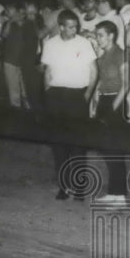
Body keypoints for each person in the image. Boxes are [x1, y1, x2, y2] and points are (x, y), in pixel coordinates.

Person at [41, 10, 98, 200]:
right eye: (71, 26)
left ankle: (80, 187)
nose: (75, 30)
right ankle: (63, 187)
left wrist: (87, 95)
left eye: (76, 26)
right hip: (56, 96)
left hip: (77, 96)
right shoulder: (50, 44)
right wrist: (48, 91)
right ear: (62, 27)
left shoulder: (84, 44)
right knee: (59, 144)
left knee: (78, 144)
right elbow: (47, 71)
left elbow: (94, 71)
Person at [91, 20, 127, 204]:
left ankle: (120, 195)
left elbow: (127, 84)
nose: (97, 39)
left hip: (116, 102)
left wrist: (113, 107)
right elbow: (100, 79)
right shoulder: (103, 55)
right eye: (97, 35)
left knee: (114, 148)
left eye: (100, 35)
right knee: (106, 147)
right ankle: (113, 192)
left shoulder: (120, 54)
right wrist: (95, 100)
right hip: (104, 100)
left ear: (111, 36)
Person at [0, 3, 37, 109]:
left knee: (26, 91)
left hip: (25, 61)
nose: (8, 13)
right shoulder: (7, 23)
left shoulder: (29, 23)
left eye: (10, 10)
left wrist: (20, 20)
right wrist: (11, 21)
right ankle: (16, 113)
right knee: (14, 92)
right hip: (10, 61)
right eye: (7, 11)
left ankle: (30, 112)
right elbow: (4, 35)